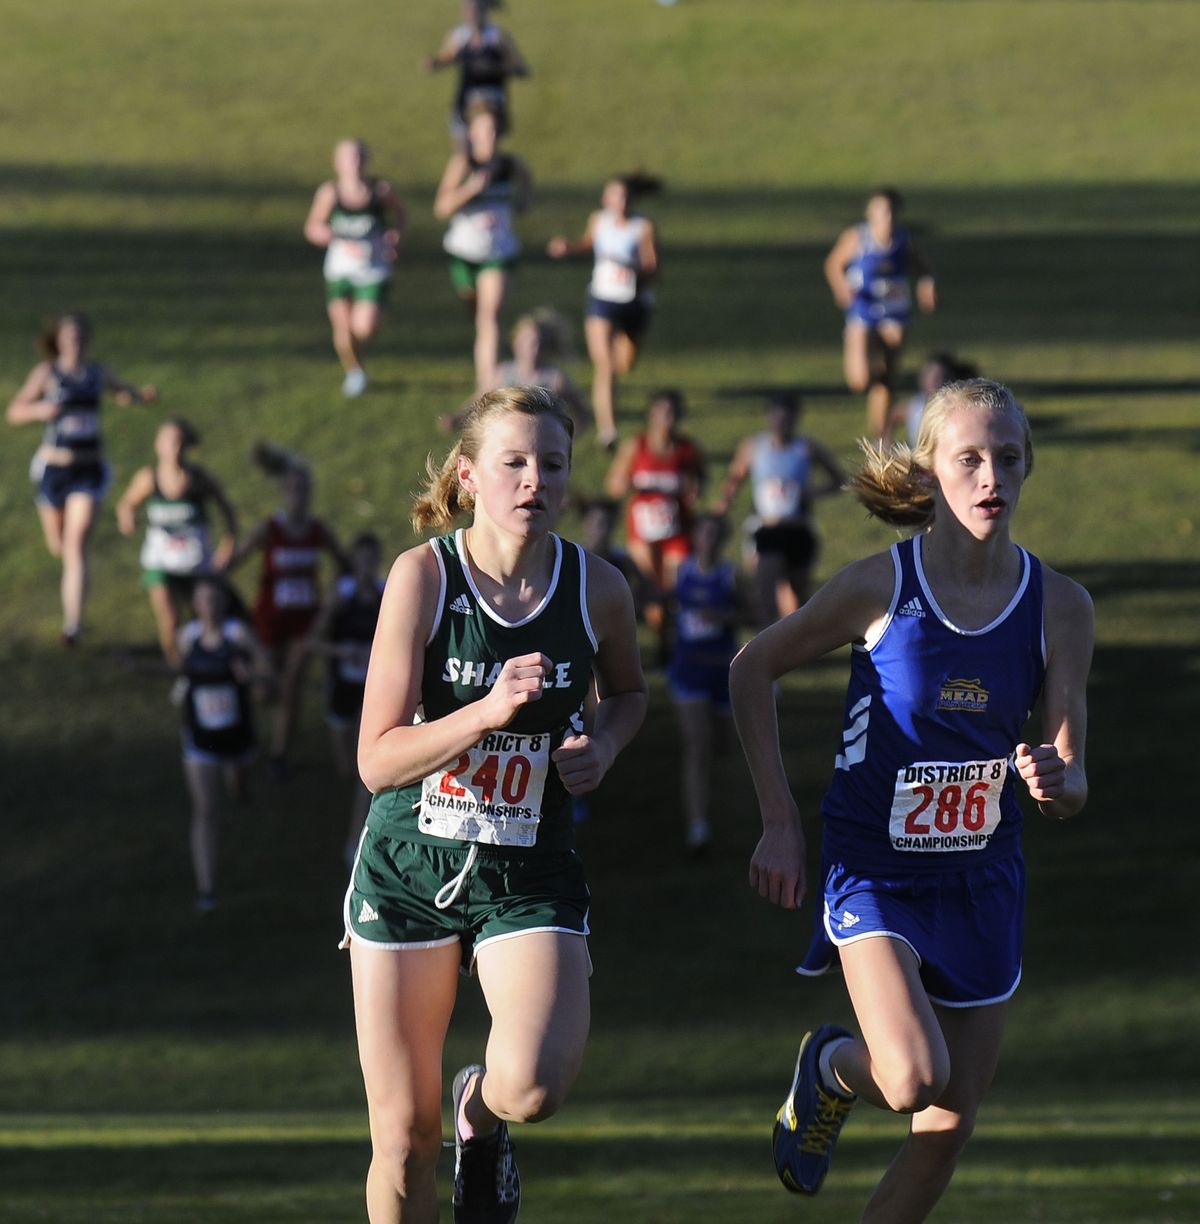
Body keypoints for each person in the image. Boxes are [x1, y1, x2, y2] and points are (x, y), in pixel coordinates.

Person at [728, 379, 1093, 1220]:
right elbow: (753, 669)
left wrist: (1054, 780)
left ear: (1028, 466)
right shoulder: (878, 587)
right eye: (968, 458)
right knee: (911, 1077)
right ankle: (829, 1067)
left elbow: (1073, 780)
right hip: (874, 872)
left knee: (948, 1126)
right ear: (929, 472)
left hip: (984, 883)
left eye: (1007, 457)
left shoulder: (1061, 607)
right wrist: (781, 823)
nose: (990, 475)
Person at [344, 384, 646, 1224]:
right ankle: (445, 1134)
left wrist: (607, 746)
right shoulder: (424, 579)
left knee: (536, 1087)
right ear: (470, 475)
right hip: (408, 869)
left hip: (529, 869)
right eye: (513, 462)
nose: (533, 480)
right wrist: (483, 713)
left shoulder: (598, 589)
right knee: (403, 1144)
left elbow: (628, 693)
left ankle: (478, 1115)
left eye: (552, 463)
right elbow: (375, 761)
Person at [6, 313, 157, 645]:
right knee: (59, 546)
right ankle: (72, 613)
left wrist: (138, 396)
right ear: (58, 340)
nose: (74, 341)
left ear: (86, 340)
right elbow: (14, 411)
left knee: (76, 544)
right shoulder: (47, 374)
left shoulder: (96, 373)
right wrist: (38, 411)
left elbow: (121, 392)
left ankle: (72, 624)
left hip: (88, 470)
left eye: (79, 336)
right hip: (53, 470)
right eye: (68, 336)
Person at [226, 444, 348, 776]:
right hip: (269, 620)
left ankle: (279, 755)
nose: (299, 495)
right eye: (293, 489)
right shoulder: (271, 529)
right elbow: (237, 560)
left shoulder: (317, 531)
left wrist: (335, 596)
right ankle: (242, 741)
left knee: (292, 685)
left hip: (305, 622)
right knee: (265, 689)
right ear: (284, 492)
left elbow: (344, 563)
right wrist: (216, 580)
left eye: (304, 489)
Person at [176, 574, 272, 912]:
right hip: (200, 739)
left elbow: (266, 671)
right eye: (203, 599)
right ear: (195, 605)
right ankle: (207, 888)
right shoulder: (187, 637)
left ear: (224, 602)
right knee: (205, 810)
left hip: (237, 738)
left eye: (215, 599)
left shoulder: (238, 634)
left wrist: (252, 676)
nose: (209, 606)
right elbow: (182, 674)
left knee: (238, 790)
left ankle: (242, 789)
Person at [547, 173, 661, 449]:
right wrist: (569, 247)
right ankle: (608, 430)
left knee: (624, 363)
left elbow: (653, 268)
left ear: (632, 200)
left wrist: (631, 268)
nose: (620, 202)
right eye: (615, 196)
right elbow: (590, 242)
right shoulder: (599, 220)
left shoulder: (642, 227)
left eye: (625, 197)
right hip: (602, 298)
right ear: (605, 199)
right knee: (605, 365)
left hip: (634, 301)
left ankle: (610, 405)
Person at [116, 418, 239, 667]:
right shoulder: (149, 479)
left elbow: (229, 513)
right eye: (170, 443)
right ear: (158, 446)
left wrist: (226, 551)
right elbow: (126, 503)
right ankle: (179, 669)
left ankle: (205, 664)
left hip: (196, 563)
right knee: (169, 618)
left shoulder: (200, 479)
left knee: (203, 619)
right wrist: (127, 519)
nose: (175, 449)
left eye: (180, 443)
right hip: (159, 563)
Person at [714, 392, 845, 626]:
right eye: (777, 418)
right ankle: (766, 647)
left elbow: (839, 480)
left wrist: (811, 492)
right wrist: (725, 502)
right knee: (765, 590)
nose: (782, 425)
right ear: (768, 417)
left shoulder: (806, 448)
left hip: (798, 529)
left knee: (796, 600)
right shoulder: (754, 447)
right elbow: (735, 476)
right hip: (767, 529)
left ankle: (795, 647)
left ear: (796, 419)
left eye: (787, 419)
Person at [434, 97, 531, 394]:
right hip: (464, 252)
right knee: (479, 313)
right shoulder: (464, 163)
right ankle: (493, 355)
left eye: (494, 130)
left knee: (490, 315)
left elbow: (527, 183)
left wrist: (519, 204)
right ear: (471, 133)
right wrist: (472, 188)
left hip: (499, 252)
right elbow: (442, 207)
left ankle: (485, 387)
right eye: (483, 130)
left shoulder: (510, 165)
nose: (489, 136)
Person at [824, 188, 937, 441]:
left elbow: (924, 269)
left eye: (892, 211)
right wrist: (842, 289)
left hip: (894, 311)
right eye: (882, 211)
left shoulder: (905, 241)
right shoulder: (857, 238)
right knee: (861, 381)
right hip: (863, 309)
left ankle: (880, 436)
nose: (888, 217)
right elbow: (833, 264)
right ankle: (860, 350)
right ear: (870, 213)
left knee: (886, 377)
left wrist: (926, 287)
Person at [604, 389, 705, 661]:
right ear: (651, 416)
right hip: (643, 532)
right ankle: (662, 639)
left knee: (675, 590)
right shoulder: (636, 447)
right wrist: (626, 483)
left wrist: (693, 490)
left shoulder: (687, 449)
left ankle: (674, 642)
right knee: (652, 591)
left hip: (678, 530)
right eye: (661, 414)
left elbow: (700, 482)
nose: (666, 421)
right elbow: (613, 486)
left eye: (672, 414)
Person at [304, 139, 408, 398]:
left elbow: (401, 215)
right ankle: (356, 372)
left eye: (359, 157)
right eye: (349, 158)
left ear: (366, 161)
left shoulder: (380, 190)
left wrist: (396, 236)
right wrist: (332, 237)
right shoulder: (330, 193)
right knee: (342, 327)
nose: (355, 163)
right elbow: (313, 226)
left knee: (364, 328)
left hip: (373, 269)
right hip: (340, 269)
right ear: (337, 163)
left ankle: (362, 349)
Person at [308, 531, 386, 867]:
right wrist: (342, 650)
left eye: (371, 561)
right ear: (353, 563)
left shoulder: (388, 595)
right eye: (360, 561)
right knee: (344, 765)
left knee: (360, 771)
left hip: (372, 690)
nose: (366, 568)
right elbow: (311, 642)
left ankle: (355, 842)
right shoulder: (341, 597)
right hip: (342, 686)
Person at [667, 513, 743, 854]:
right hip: (690, 670)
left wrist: (725, 617)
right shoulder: (681, 570)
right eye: (704, 532)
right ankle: (698, 828)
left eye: (715, 533)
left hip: (723, 671)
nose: (708, 539)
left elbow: (757, 614)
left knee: (725, 747)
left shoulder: (732, 576)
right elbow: (668, 609)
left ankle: (729, 807)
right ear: (696, 536)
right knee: (697, 747)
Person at [438, 309, 587, 435]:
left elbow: (582, 411)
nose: (532, 349)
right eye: (526, 342)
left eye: (538, 343)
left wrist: (566, 437)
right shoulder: (503, 374)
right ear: (515, 342)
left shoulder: (555, 379)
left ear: (547, 347)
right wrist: (457, 418)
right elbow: (479, 400)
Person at [424, 0, 531, 145]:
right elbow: (448, 56)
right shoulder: (459, 36)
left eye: (475, 9)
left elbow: (522, 69)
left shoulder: (497, 36)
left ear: (484, 10)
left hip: (492, 99)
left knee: (483, 150)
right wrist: (435, 63)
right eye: (467, 8)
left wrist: (496, 67)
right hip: (464, 99)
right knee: (464, 152)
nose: (471, 13)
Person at [902, 352, 979, 447]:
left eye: (939, 376)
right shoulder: (916, 405)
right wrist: (885, 439)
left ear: (951, 379)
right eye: (928, 374)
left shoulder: (959, 409)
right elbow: (894, 416)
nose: (932, 380)